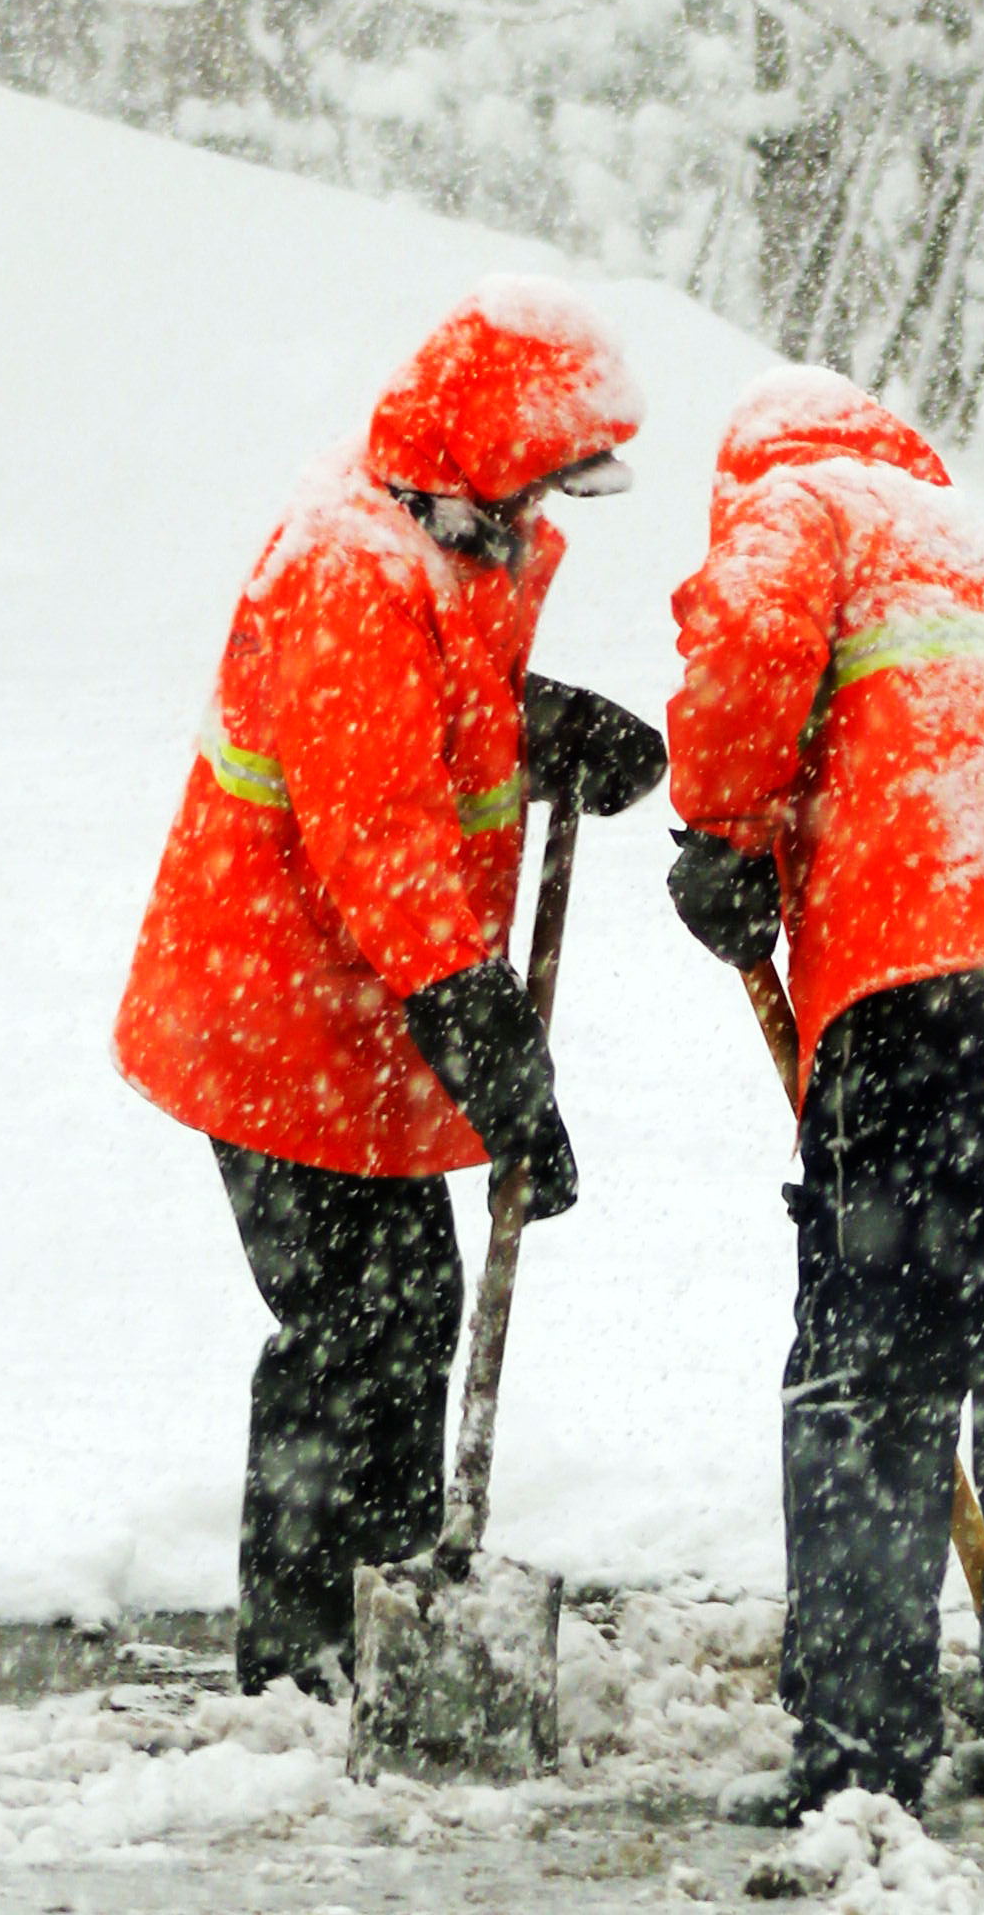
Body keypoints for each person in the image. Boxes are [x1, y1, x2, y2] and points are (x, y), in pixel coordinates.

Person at [664, 368, 984, 1817]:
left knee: (871, 1378)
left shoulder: (805, 500)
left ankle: (860, 1755)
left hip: (931, 973)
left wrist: (721, 826)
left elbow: (744, 641)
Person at [116, 286, 645, 1695]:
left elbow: (431, 716)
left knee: (406, 1303)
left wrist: (543, 724)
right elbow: (383, 841)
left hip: (354, 1014)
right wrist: (500, 1058)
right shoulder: (351, 570)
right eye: (539, 479)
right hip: (272, 1011)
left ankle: (389, 1605)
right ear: (477, 458)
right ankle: (297, 1654)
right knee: (349, 1325)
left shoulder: (451, 540)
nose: (547, 512)